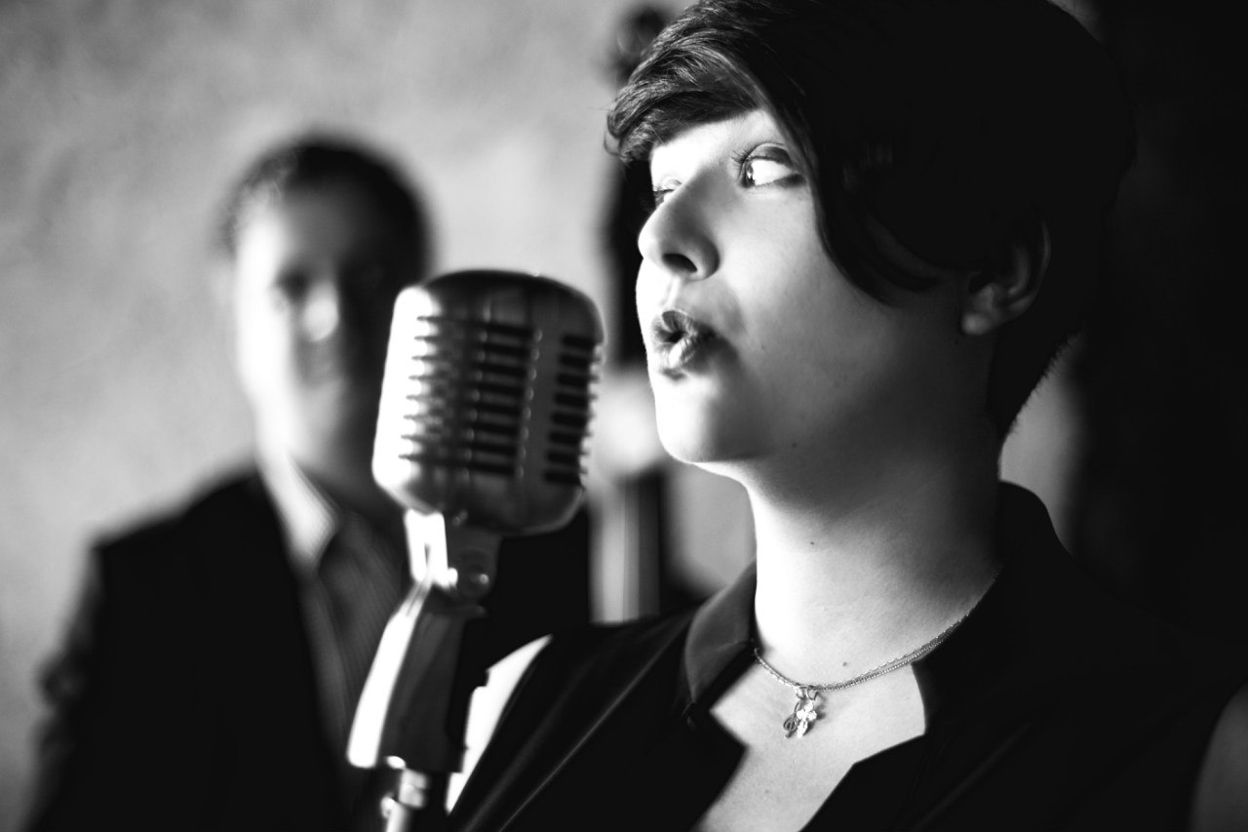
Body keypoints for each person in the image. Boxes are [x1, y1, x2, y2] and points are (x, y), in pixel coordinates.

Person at [441, 1, 1248, 830]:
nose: (659, 237)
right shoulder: (522, 703)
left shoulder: (1205, 763)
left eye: (764, 167)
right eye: (665, 187)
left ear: (992, 271)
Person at [20, 135, 592, 831]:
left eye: (372, 276)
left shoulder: (565, 544)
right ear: (234, 317)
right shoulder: (145, 589)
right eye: (291, 287)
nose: (335, 316)